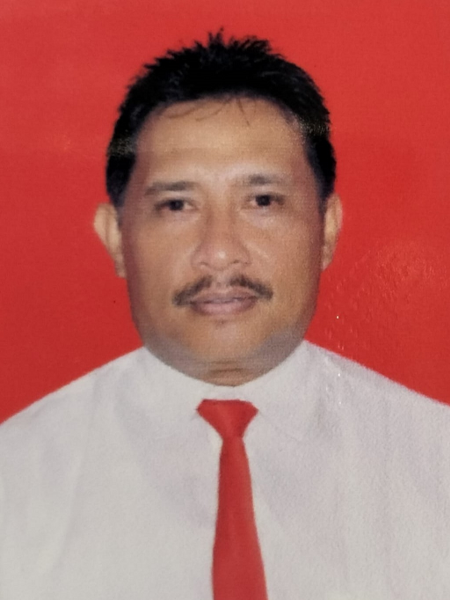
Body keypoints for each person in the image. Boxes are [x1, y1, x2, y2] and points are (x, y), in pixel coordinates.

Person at [1, 32, 449, 600]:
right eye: (177, 205)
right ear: (115, 237)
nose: (219, 252)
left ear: (328, 229)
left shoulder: (436, 460)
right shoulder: (16, 478)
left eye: (262, 201)